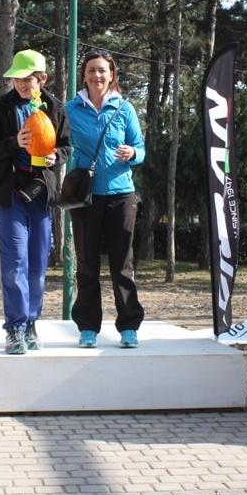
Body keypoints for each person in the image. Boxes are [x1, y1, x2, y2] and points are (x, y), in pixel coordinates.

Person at [0, 50, 71, 355]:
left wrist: (57, 157)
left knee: (38, 261)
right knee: (15, 260)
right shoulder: (1, 107)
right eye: (16, 78)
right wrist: (13, 143)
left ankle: (31, 322)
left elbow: (66, 146)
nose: (20, 83)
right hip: (10, 195)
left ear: (42, 79)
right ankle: (15, 327)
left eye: (27, 78)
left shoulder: (55, 108)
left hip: (40, 193)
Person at [65, 49, 146, 349]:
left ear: (112, 75)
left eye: (102, 70)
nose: (96, 75)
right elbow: (58, 143)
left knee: (122, 265)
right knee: (86, 265)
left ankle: (129, 326)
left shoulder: (124, 108)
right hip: (85, 197)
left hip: (121, 195)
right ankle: (88, 327)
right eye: (91, 70)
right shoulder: (70, 109)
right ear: (84, 76)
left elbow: (141, 148)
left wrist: (132, 152)